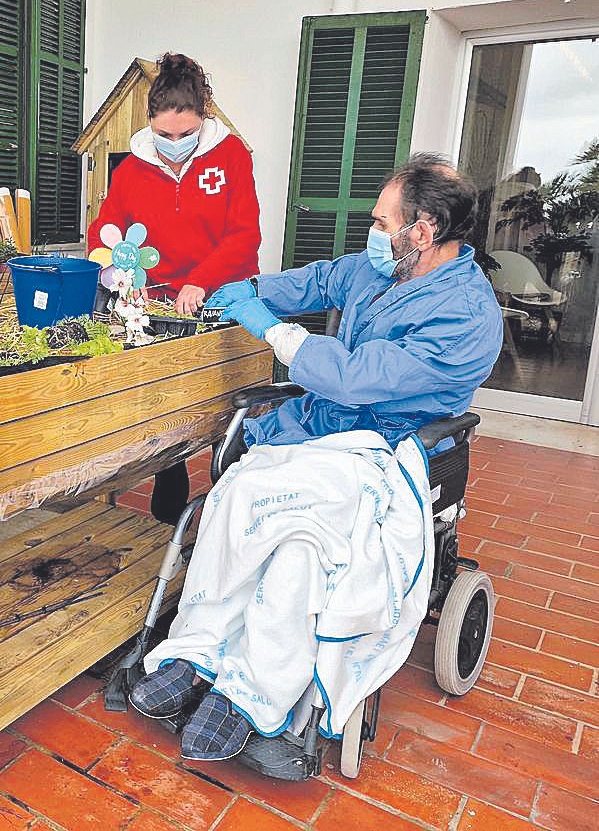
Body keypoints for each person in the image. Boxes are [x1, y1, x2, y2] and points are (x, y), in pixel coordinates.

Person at [129, 154, 503, 760]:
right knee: (234, 497)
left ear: (424, 230)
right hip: (320, 431)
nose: (373, 234)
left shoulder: (467, 316)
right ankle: (198, 649)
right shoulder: (384, 267)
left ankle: (255, 691)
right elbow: (319, 280)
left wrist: (273, 331)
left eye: (383, 224)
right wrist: (250, 291)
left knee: (304, 542)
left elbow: (357, 378)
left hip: (386, 450)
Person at [88, 53, 261, 524]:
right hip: (161, 306)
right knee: (173, 418)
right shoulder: (131, 169)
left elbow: (244, 235)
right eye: (165, 135)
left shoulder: (231, 157)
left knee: (228, 414)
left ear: (204, 117)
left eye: (186, 135)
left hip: (224, 300)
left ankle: (234, 513)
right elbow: (105, 232)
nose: (175, 144)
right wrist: (121, 278)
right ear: (150, 122)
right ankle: (168, 526)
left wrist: (201, 283)